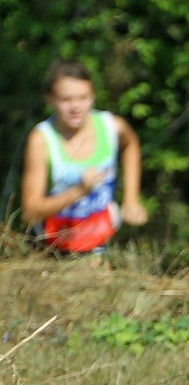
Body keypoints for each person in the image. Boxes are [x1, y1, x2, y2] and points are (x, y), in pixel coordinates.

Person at [21, 59, 147, 255]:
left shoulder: (112, 126)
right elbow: (30, 211)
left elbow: (131, 145)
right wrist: (79, 191)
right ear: (50, 99)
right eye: (66, 99)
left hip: (102, 243)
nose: (76, 107)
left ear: (93, 96)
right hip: (53, 250)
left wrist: (131, 199)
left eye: (83, 98)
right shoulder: (41, 139)